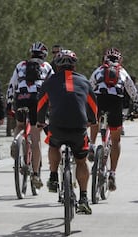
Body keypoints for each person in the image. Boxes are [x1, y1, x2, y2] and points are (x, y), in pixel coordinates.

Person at [37, 49, 97, 214]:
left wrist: (40, 120)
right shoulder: (84, 81)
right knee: (81, 161)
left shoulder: (49, 82)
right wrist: (93, 119)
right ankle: (84, 198)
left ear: (56, 65)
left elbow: (41, 104)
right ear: (74, 65)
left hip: (57, 126)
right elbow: (93, 105)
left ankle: (54, 176)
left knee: (53, 144)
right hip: (79, 127)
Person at [88, 47, 138, 191]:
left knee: (94, 120)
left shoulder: (99, 70)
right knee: (116, 140)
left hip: (100, 101)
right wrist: (135, 107)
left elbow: (89, 87)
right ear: (120, 60)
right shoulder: (122, 72)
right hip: (116, 104)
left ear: (104, 59)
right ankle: (112, 173)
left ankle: (92, 146)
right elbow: (133, 93)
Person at [6, 41, 54, 188]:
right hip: (37, 100)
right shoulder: (47, 67)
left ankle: (16, 140)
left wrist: (9, 104)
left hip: (21, 97)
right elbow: (52, 86)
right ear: (44, 55)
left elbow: (12, 84)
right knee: (35, 136)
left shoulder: (21, 65)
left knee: (20, 125)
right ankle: (35, 174)